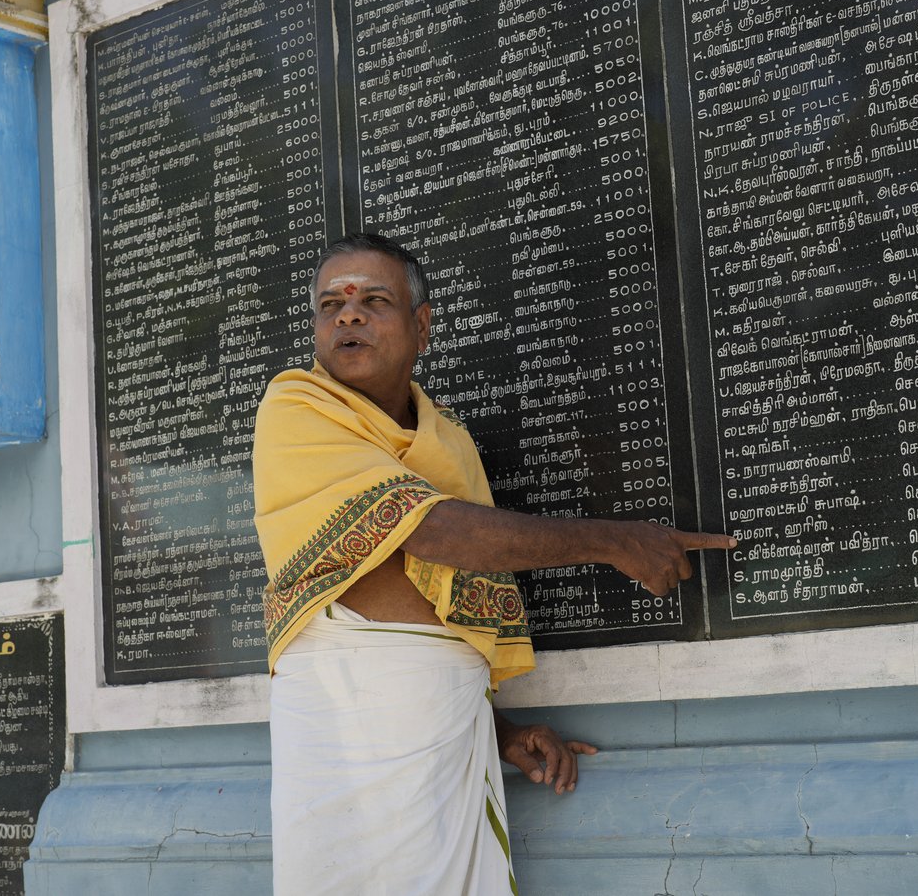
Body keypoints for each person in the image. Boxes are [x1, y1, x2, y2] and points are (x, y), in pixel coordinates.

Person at [252, 233, 735, 895]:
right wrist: (615, 540)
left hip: (451, 726)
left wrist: (501, 730)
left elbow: (445, 607)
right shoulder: (294, 407)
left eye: (373, 299)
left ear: (422, 325)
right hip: (344, 726)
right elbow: (431, 531)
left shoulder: (447, 439)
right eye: (331, 302)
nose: (349, 314)